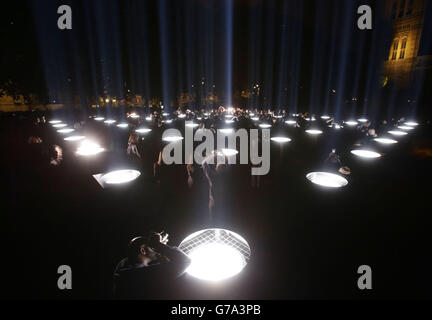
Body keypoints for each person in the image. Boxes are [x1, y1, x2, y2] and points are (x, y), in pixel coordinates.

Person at [113, 232, 191, 300]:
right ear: (143, 250)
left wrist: (160, 249)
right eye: (153, 247)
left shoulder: (126, 269)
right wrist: (157, 244)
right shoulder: (136, 275)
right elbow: (184, 261)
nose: (156, 250)